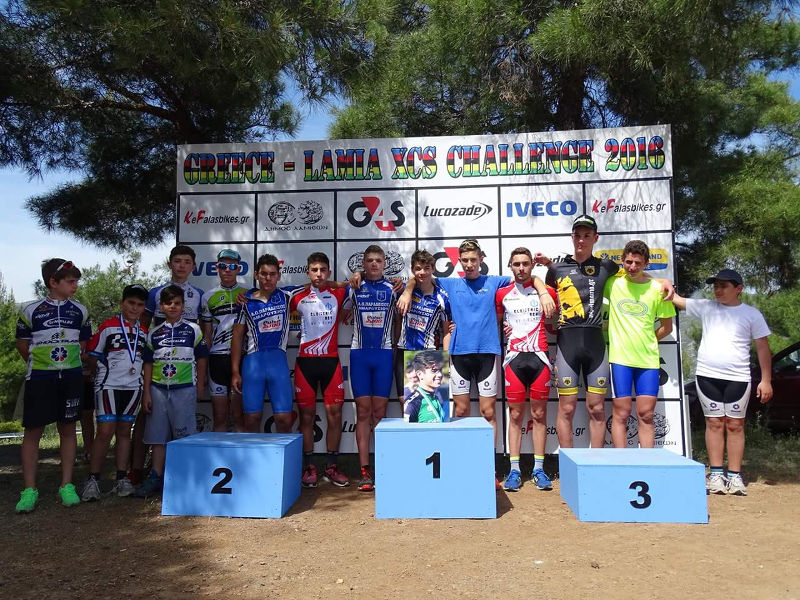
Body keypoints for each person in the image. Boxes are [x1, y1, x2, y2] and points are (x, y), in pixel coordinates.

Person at [399, 239, 555, 488]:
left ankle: (488, 467)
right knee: (460, 412)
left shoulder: (495, 282)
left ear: (481, 259)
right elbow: (420, 277)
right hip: (459, 355)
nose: (469, 264)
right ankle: (459, 465)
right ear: (459, 262)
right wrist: (408, 290)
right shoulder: (450, 283)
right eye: (465, 260)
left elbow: (526, 277)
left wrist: (542, 288)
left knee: (488, 412)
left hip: (487, 354)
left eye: (473, 259)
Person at [536, 215, 673, 449]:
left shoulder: (606, 267)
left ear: (595, 238)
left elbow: (636, 275)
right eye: (577, 235)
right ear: (572, 237)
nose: (581, 240)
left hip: (596, 345)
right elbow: (535, 282)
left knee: (597, 409)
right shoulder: (556, 268)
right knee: (566, 408)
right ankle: (568, 463)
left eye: (587, 235)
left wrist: (663, 282)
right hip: (567, 343)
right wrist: (541, 291)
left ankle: (597, 463)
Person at [671, 269, 772, 496]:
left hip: (738, 378)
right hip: (707, 376)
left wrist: (766, 380)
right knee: (714, 423)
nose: (718, 290)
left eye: (724, 286)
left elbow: (763, 348)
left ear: (739, 289)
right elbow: (675, 299)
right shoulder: (707, 307)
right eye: (716, 286)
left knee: (735, 425)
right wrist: (658, 281)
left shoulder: (752, 314)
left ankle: (734, 476)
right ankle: (716, 474)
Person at [14, 259, 92, 512]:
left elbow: (83, 346)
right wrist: (41, 365)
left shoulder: (80, 311)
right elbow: (22, 345)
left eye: (76, 281)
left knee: (68, 429)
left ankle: (66, 485)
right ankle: (29, 490)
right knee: (33, 432)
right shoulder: (31, 310)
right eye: (70, 281)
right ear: (53, 282)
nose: (75, 285)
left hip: (71, 377)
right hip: (39, 378)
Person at [131, 244, 204, 484]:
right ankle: (139, 470)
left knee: (182, 428)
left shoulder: (199, 294)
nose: (181, 266)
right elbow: (144, 324)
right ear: (169, 263)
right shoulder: (155, 292)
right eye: (177, 261)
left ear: (193, 266)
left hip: (185, 367)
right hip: (158, 364)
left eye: (186, 262)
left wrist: (200, 376)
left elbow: (204, 331)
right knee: (148, 422)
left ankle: (181, 476)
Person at [495, 248, 558, 491]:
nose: (521, 268)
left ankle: (539, 469)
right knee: (515, 416)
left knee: (539, 415)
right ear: (510, 266)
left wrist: (541, 287)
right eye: (516, 264)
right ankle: (514, 470)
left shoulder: (547, 292)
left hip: (539, 358)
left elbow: (556, 315)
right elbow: (497, 322)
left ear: (532, 265)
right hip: (514, 360)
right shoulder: (502, 294)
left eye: (525, 264)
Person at [80, 284, 149, 500]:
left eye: (140, 305)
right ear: (122, 303)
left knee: (124, 431)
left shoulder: (144, 331)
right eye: (131, 303)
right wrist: (99, 372)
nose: (135, 308)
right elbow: (91, 354)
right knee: (105, 431)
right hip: (109, 385)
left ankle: (121, 478)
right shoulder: (108, 327)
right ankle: (93, 479)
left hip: (134, 387)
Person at [605, 240, 675, 449]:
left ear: (646, 264)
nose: (632, 267)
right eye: (628, 262)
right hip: (620, 360)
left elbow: (667, 327)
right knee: (621, 413)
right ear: (622, 261)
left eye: (638, 263)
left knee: (646, 414)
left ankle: (647, 462)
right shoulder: (612, 284)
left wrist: (647, 340)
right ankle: (622, 462)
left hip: (648, 361)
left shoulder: (658, 289)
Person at [289, 252, 350, 488]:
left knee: (335, 416)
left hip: (330, 362)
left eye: (323, 270)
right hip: (305, 363)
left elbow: (359, 280)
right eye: (314, 270)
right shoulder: (297, 295)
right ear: (307, 272)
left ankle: (332, 467)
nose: (318, 274)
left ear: (329, 272)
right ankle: (309, 468)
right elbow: (267, 293)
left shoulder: (339, 293)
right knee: (306, 417)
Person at [344, 244, 399, 492]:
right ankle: (364, 471)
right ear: (363, 264)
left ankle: (385, 467)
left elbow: (420, 286)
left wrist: (407, 284)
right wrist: (354, 277)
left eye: (378, 260)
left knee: (380, 413)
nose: (374, 264)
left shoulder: (394, 288)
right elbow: (330, 289)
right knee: (363, 413)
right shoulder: (354, 287)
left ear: (385, 264)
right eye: (369, 261)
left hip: (384, 355)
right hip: (359, 355)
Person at [230, 254, 295, 436]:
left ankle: (283, 456)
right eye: (264, 274)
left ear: (278, 276)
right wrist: (235, 371)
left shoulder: (286, 295)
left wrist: (357, 275)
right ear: (256, 275)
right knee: (251, 420)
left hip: (278, 364)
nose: (268, 278)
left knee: (284, 420)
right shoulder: (245, 301)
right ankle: (254, 456)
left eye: (272, 274)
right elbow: (237, 336)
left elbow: (317, 284)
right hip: (252, 366)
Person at [200, 249, 248, 432]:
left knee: (239, 415)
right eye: (223, 266)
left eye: (232, 266)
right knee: (219, 416)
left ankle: (242, 452)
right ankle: (219, 452)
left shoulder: (248, 293)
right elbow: (207, 334)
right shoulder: (207, 296)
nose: (227, 270)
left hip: (242, 357)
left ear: (239, 269)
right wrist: (203, 370)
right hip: (217, 359)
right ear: (217, 268)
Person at [403, 351, 447, 423]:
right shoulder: (413, 403)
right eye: (434, 370)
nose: (440, 374)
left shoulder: (435, 396)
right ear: (420, 374)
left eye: (440, 370)